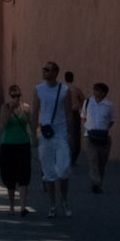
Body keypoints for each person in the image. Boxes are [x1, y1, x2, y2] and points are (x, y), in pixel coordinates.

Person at [33, 58, 73, 218]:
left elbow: (69, 113)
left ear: (56, 73)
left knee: (63, 170)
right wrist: (32, 134)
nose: (44, 72)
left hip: (61, 134)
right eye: (44, 69)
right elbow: (35, 112)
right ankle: (52, 205)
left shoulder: (64, 90)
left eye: (48, 70)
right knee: (48, 173)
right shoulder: (38, 89)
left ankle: (64, 200)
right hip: (45, 134)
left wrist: (71, 135)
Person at [0, 83, 33, 216]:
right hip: (7, 145)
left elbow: (31, 123)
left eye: (18, 95)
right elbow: (2, 124)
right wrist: (10, 109)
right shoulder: (4, 107)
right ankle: (11, 206)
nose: (16, 98)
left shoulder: (26, 108)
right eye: (13, 95)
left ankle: (23, 206)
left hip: (23, 144)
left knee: (24, 175)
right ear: (10, 96)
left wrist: (35, 136)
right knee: (9, 176)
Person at [82, 82, 115, 193]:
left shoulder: (108, 105)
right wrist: (88, 128)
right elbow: (83, 117)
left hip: (103, 137)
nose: (96, 92)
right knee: (93, 160)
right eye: (95, 89)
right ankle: (96, 183)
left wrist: (103, 129)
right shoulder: (87, 103)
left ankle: (99, 182)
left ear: (104, 93)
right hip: (89, 136)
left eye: (99, 90)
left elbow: (111, 121)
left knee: (101, 161)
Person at [64, 70, 86, 168]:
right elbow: (84, 101)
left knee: (66, 135)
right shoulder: (76, 89)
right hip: (73, 113)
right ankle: (73, 158)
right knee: (75, 136)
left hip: (64, 114)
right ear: (72, 78)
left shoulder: (62, 89)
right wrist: (78, 106)